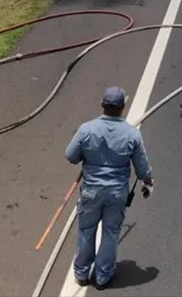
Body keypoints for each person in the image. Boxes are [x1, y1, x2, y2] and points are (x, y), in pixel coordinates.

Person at [65, 87, 154, 289]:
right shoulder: (132, 135)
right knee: (111, 232)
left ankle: (81, 273)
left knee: (86, 230)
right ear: (123, 107)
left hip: (91, 191)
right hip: (116, 193)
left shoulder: (86, 129)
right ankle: (103, 276)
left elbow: (71, 155)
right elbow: (142, 168)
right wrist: (148, 182)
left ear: (102, 104)